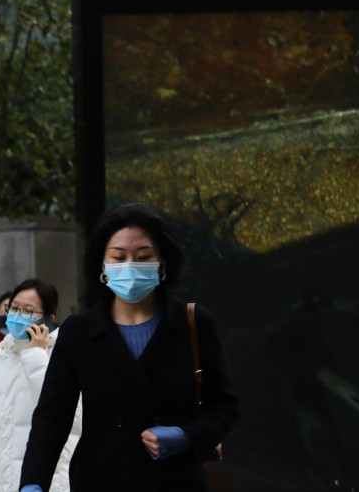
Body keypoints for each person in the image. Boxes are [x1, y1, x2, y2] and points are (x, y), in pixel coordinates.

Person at [21, 203, 241, 491]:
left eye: (143, 256)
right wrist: (33, 484)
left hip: (174, 481)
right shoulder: (79, 331)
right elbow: (52, 418)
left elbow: (224, 406)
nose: (130, 266)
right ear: (102, 265)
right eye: (118, 256)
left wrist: (184, 436)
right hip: (100, 480)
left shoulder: (194, 324)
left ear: (162, 264)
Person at [0, 279, 81, 492]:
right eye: (14, 308)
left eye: (28, 311)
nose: (18, 316)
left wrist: (37, 355)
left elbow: (71, 420)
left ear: (49, 318)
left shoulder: (63, 356)